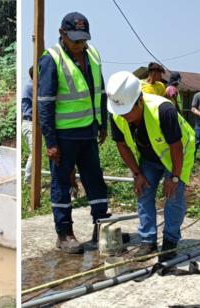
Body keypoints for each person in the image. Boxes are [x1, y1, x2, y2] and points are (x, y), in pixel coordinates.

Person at [38, 12, 110, 254]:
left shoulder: (93, 55)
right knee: (61, 184)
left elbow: (99, 92)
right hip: (64, 136)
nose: (80, 45)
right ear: (62, 34)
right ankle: (64, 234)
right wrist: (50, 141)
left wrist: (103, 124)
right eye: (75, 40)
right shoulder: (51, 59)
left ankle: (101, 225)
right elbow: (45, 103)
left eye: (83, 40)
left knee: (95, 181)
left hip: (88, 132)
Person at [106, 71, 194, 262]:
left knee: (173, 196)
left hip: (178, 155)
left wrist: (175, 178)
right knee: (143, 192)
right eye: (121, 112)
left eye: (128, 111)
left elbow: (176, 147)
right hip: (149, 158)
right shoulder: (117, 112)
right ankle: (148, 240)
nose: (124, 116)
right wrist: (137, 174)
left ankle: (170, 242)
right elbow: (121, 145)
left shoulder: (164, 110)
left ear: (139, 100)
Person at [22, 66, 33, 183]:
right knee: (34, 152)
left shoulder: (31, 86)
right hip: (30, 122)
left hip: (31, 123)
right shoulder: (31, 87)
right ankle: (28, 181)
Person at [190, 92, 200, 159]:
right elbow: (193, 109)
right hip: (199, 125)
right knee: (196, 142)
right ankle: (192, 160)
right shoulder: (197, 95)